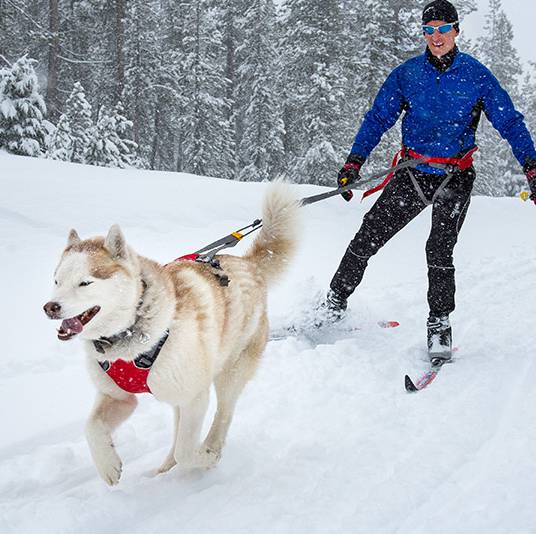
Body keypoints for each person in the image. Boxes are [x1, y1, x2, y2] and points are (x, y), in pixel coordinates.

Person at [322, 0, 536, 361]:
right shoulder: (408, 75)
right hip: (413, 173)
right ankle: (333, 302)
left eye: (442, 29)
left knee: (438, 249)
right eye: (429, 30)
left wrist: (531, 166)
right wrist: (354, 162)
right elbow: (378, 119)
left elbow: (509, 122)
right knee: (369, 234)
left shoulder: (476, 75)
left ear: (455, 30)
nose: (436, 37)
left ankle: (439, 324)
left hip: (455, 175)